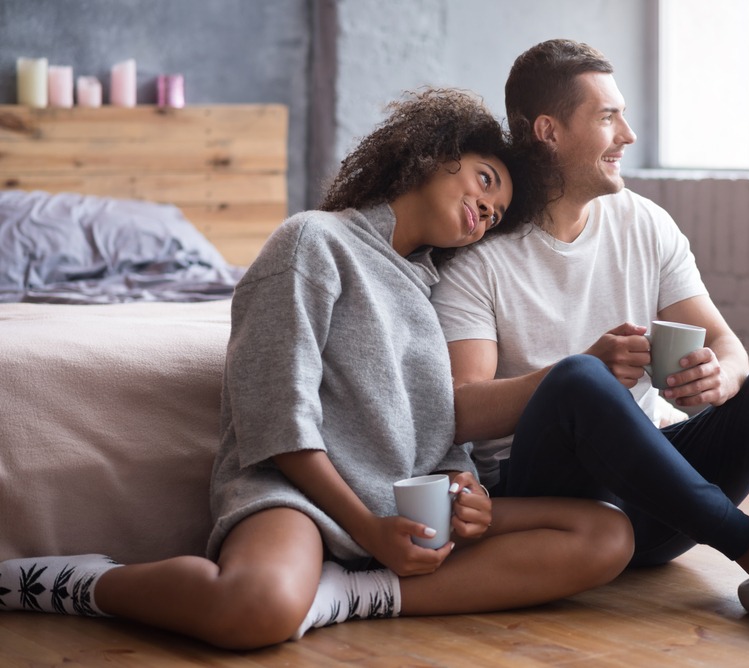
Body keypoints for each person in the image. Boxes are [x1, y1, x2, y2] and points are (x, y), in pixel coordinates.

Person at [0, 88, 634, 650]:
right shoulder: (312, 241)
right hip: (300, 494)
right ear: (438, 151)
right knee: (256, 609)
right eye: (485, 180)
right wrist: (368, 527)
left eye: (495, 216)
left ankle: (346, 598)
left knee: (607, 535)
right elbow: (276, 418)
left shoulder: (433, 287)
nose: (485, 213)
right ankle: (80, 582)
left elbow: (436, 426)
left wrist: (465, 497)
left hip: (405, 510)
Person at [431, 41, 749, 632]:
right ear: (548, 131)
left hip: (661, 503)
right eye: (607, 117)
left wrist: (722, 374)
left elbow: (729, 345)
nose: (628, 134)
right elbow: (460, 410)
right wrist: (578, 368)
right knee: (579, 378)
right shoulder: (480, 258)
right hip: (557, 509)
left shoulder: (644, 222)